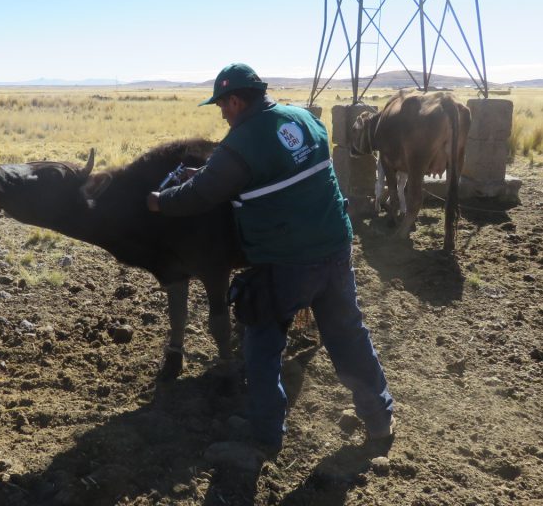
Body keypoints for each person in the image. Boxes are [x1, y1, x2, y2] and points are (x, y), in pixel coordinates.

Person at [146, 63, 394, 450]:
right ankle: (379, 420)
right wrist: (209, 170)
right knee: (348, 334)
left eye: (222, 106)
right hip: (335, 248)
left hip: (286, 261)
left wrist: (161, 201)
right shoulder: (304, 119)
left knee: (261, 344)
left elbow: (199, 196)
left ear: (235, 100)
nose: (222, 114)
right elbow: (269, 167)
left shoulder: (241, 141)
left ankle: (264, 437)